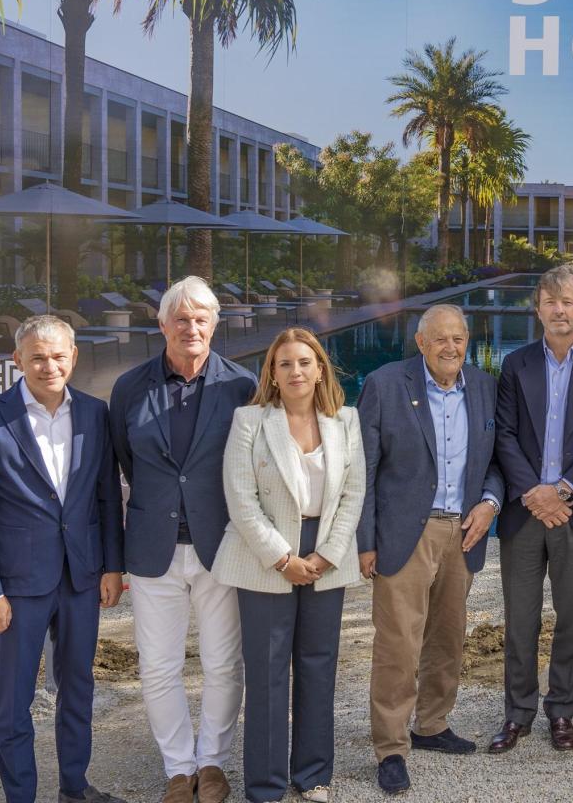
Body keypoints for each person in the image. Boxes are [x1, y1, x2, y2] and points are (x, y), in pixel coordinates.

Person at [0, 315, 125, 803]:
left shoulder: (95, 414)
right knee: (13, 701)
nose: (48, 365)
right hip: (15, 587)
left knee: (78, 689)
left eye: (57, 355)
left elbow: (106, 497)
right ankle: (21, 796)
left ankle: (74, 787)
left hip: (82, 579)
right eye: (37, 357)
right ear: (18, 361)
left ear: (73, 357)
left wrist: (112, 566)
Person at [109, 276, 258, 803]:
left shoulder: (241, 386)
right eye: (181, 318)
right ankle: (178, 768)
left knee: (222, 662)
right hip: (153, 548)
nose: (190, 327)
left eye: (201, 318)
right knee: (159, 665)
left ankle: (213, 762)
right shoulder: (130, 387)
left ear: (215, 324)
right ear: (162, 324)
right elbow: (125, 463)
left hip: (222, 545)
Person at [213, 328, 365, 802]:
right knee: (267, 670)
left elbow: (352, 494)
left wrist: (325, 554)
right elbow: (240, 497)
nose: (296, 371)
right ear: (273, 375)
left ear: (321, 368)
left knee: (319, 666)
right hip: (267, 557)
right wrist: (282, 557)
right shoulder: (250, 420)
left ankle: (314, 775)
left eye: (305, 362)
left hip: (326, 554)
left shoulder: (346, 420)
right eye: (285, 364)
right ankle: (265, 784)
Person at [357, 305, 505, 794]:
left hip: (462, 531)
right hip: (405, 534)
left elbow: (496, 459)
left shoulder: (484, 386)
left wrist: (489, 501)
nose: (451, 348)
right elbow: (364, 470)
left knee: (447, 636)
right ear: (420, 343)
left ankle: (433, 725)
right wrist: (366, 542)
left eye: (458, 338)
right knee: (398, 643)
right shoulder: (384, 384)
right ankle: (391, 747)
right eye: (440, 339)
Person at [489, 265, 573, 753]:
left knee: (572, 617)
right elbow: (503, 434)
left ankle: (562, 710)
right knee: (521, 618)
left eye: (567, 301)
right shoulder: (516, 364)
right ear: (537, 309)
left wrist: (562, 491)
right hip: (525, 512)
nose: (559, 310)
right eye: (550, 301)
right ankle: (518, 712)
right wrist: (533, 492)